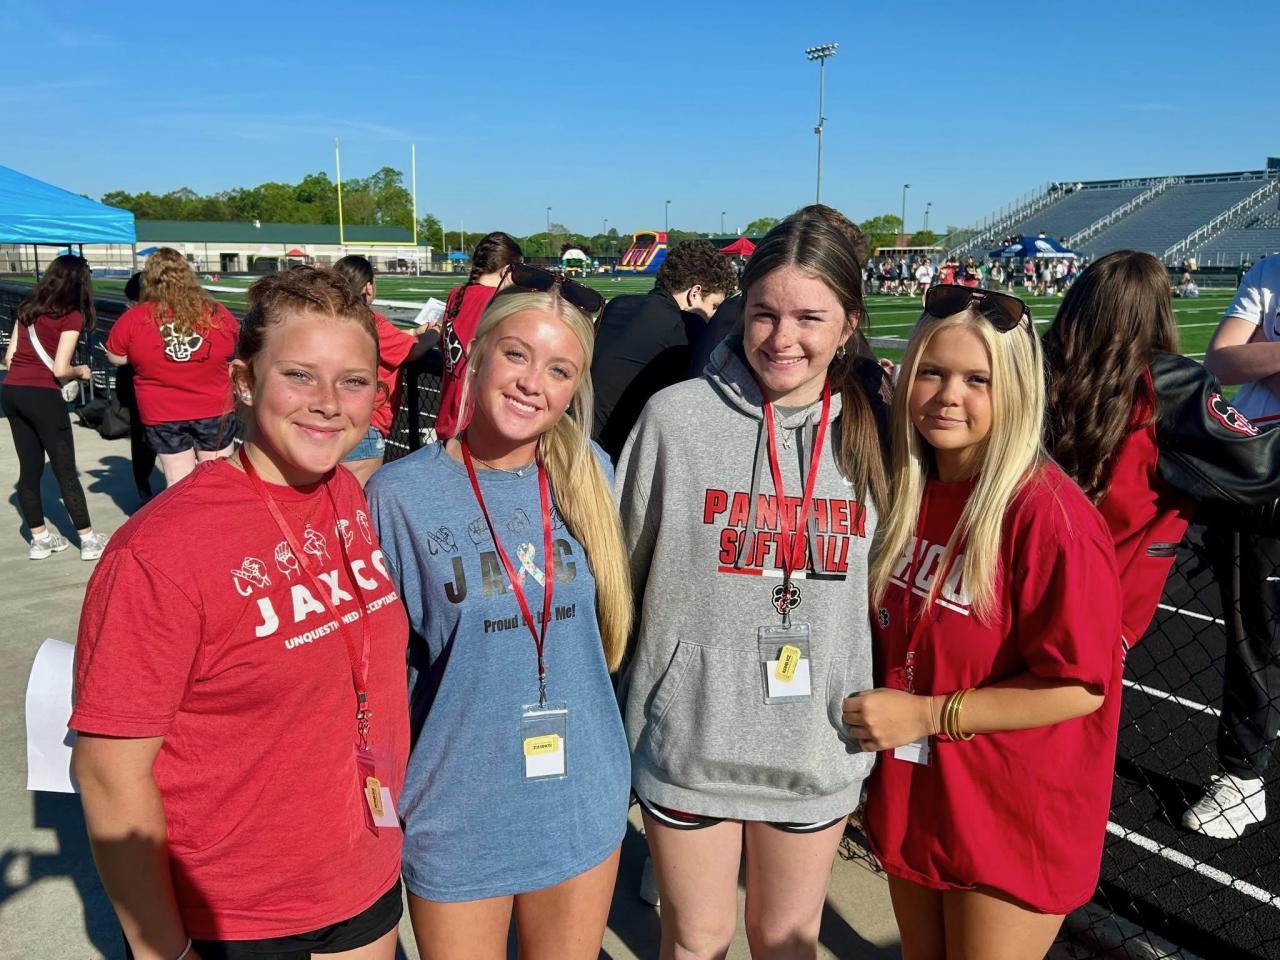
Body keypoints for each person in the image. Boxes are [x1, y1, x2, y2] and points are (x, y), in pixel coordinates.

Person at [71, 267, 410, 960]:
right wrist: (163, 949)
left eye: (352, 381)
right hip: (236, 912)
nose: (327, 403)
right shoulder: (161, 551)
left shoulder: (344, 494)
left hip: (360, 876)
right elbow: (108, 772)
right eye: (299, 375)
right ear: (244, 381)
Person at [618, 207, 889, 959]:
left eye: (810, 317)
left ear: (849, 324)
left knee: (786, 941)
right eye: (765, 314)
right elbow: (622, 574)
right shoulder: (675, 419)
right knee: (695, 939)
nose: (781, 338)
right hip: (689, 740)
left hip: (814, 744)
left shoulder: (876, 434)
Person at [366, 270, 632, 960]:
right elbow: (378, 676)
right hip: (457, 809)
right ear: (478, 354)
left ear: (575, 389)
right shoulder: (399, 496)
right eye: (516, 354)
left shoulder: (591, 472)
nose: (531, 383)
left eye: (559, 370)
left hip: (580, 800)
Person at [855, 283, 1124, 959]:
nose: (949, 396)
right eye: (932, 373)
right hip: (921, 794)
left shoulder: (1049, 518)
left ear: (1017, 391)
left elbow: (1080, 686)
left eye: (978, 380)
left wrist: (927, 715)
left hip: (1010, 812)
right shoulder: (906, 490)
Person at [1194, 253, 1280, 837]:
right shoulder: (1269, 270)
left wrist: (1263, 357)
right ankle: (1243, 775)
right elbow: (1221, 359)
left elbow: (1244, 357)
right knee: (1254, 631)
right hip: (1258, 473)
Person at [590, 239, 738, 462]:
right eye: (714, 306)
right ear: (694, 293)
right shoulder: (688, 325)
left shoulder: (617, 305)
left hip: (579, 438)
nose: (712, 317)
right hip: (617, 457)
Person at [105, 248, 239, 487]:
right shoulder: (216, 312)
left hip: (162, 412)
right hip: (213, 407)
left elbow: (115, 356)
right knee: (219, 478)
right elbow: (233, 347)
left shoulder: (135, 317)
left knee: (178, 479)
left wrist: (146, 358)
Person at [2, 252, 106, 560]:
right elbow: (61, 368)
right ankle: (88, 540)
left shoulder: (28, 308)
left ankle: (40, 539)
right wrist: (81, 371)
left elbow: (10, 358)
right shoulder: (71, 316)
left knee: (29, 469)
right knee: (65, 470)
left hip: (13, 390)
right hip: (43, 395)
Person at [331, 255, 441, 485]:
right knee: (359, 501)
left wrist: (413, 333)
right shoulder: (369, 321)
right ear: (368, 287)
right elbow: (413, 351)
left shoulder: (333, 318)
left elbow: (390, 339)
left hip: (335, 417)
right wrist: (436, 332)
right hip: (365, 426)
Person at [435, 232, 524, 442]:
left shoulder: (456, 294)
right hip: (476, 423)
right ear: (507, 271)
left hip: (449, 416)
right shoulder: (499, 302)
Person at [115, 272, 159, 503]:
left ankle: (144, 487)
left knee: (142, 439)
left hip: (139, 385)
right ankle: (144, 486)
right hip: (148, 386)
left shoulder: (131, 317)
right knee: (146, 440)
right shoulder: (137, 317)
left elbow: (116, 353)